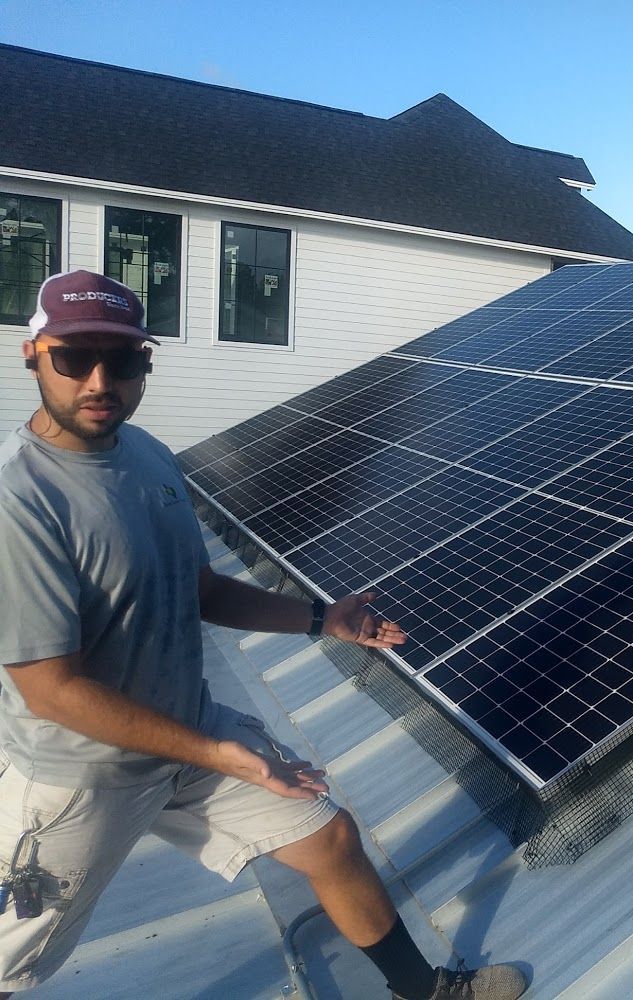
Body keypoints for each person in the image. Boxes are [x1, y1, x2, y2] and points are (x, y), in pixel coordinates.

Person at [0, 271, 527, 1000]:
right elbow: (52, 692)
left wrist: (322, 618)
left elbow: (203, 590)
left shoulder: (148, 457)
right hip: (82, 778)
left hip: (185, 734)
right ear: (33, 354)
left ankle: (428, 993)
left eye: (122, 361)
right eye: (74, 357)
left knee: (333, 840)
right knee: (16, 962)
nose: (100, 380)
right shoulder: (19, 499)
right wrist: (222, 753)